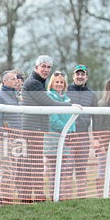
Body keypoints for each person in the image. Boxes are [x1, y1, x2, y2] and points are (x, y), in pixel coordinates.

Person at [20, 55, 77, 202]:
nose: (46, 70)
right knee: (35, 165)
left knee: (31, 165)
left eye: (48, 67)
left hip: (35, 128)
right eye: (43, 66)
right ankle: (37, 197)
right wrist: (70, 106)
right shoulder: (34, 83)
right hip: (32, 129)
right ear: (36, 67)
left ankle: (27, 198)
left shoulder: (39, 82)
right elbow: (48, 103)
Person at [66, 64, 98, 197]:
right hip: (68, 135)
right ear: (73, 76)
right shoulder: (66, 90)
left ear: (86, 77)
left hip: (84, 135)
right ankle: (65, 196)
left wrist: (95, 137)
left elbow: (96, 117)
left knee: (81, 169)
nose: (80, 76)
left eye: (82, 74)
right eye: (77, 74)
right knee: (67, 169)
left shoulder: (91, 94)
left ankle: (81, 197)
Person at [45, 72, 75, 200]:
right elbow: (52, 119)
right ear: (52, 83)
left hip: (66, 139)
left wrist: (72, 132)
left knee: (62, 171)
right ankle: (53, 196)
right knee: (53, 171)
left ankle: (60, 196)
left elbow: (72, 118)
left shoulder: (67, 99)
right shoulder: (49, 96)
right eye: (56, 82)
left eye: (61, 82)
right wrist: (66, 130)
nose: (59, 84)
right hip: (53, 139)